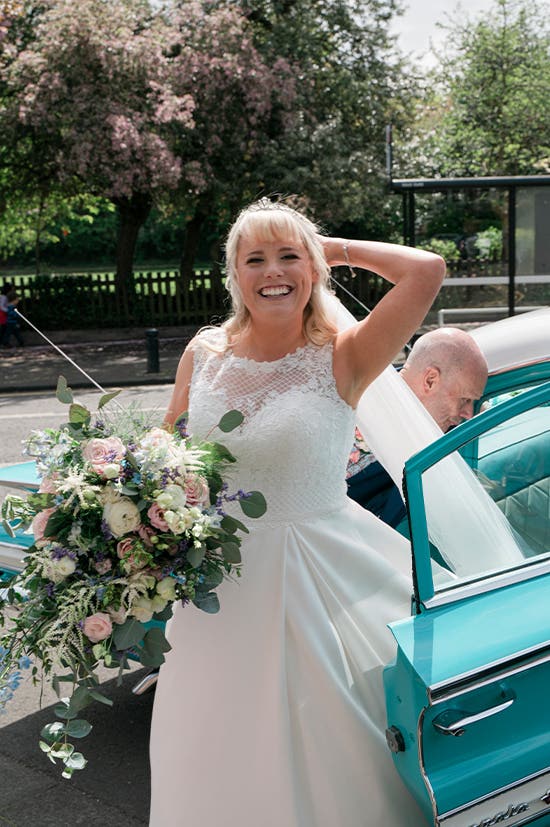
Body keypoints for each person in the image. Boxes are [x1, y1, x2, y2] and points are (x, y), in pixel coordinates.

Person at [149, 198, 445, 827]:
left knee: (332, 745)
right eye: (254, 258)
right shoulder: (205, 354)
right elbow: (166, 450)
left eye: (288, 257)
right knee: (213, 740)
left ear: (311, 269)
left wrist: (329, 247)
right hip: (216, 589)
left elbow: (426, 270)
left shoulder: (347, 353)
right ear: (235, 274)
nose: (272, 271)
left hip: (320, 580)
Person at [347, 327, 489, 527]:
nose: (468, 414)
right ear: (430, 380)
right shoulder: (350, 412)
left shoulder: (441, 427)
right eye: (464, 400)